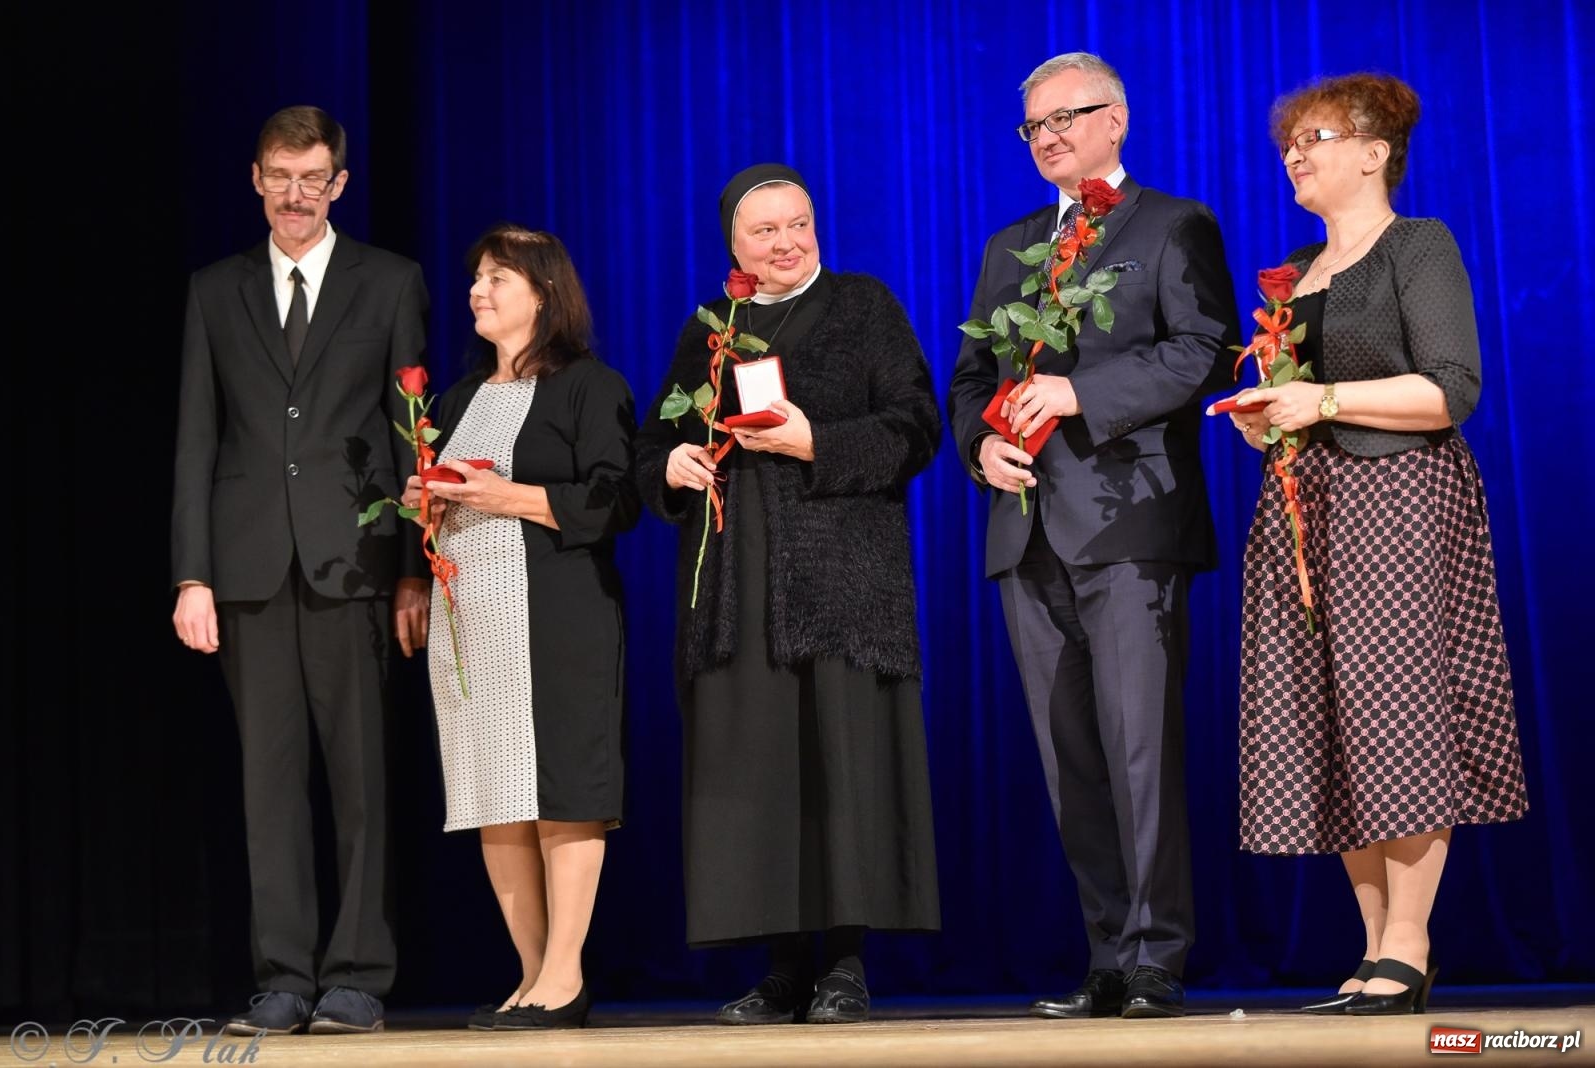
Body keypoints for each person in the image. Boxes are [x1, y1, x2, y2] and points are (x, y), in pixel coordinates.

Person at [1219, 72, 1528, 1016]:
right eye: (1289, 143)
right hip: (1305, 509)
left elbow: (1450, 389)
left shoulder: (1416, 247)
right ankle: (1371, 944)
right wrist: (1268, 416)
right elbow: (1298, 403)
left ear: (1374, 151)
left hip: (1397, 500)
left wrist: (1327, 400)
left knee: (1399, 718)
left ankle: (1410, 939)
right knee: (1331, 723)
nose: (1295, 156)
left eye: (1316, 138)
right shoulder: (1295, 274)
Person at [948, 53, 1240, 1019]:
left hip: (1129, 523)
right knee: (1068, 757)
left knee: (1139, 750)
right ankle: (1108, 955)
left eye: (1067, 118)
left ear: (1116, 120)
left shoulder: (1171, 225)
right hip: (1025, 528)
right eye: (1033, 126)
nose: (1050, 136)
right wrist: (981, 449)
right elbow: (969, 382)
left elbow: (1202, 349)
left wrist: (1081, 393)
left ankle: (1159, 954)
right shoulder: (1010, 245)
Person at [635, 163, 941, 1025]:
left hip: (842, 576)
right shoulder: (711, 332)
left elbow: (916, 427)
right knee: (760, 773)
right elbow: (655, 436)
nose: (786, 241)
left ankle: (844, 963)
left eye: (798, 223)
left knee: (841, 768)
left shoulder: (863, 305)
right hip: (736, 583)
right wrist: (672, 461)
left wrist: (818, 444)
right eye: (765, 230)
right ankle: (781, 968)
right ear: (733, 244)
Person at [170, 105, 430, 1035]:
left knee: (362, 781)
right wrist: (190, 575)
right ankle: (281, 976)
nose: (294, 195)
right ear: (255, 179)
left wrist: (412, 571)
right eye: (279, 176)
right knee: (267, 783)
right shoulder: (215, 290)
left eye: (312, 177)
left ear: (339, 184)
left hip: (355, 566)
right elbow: (197, 440)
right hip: (246, 572)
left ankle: (358, 972)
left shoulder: (391, 283)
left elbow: (410, 440)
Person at [398, 225, 638, 1030]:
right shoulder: (458, 401)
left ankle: (566, 974)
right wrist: (427, 504)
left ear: (543, 293)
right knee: (495, 790)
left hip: (558, 614)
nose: (478, 290)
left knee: (563, 789)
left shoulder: (587, 386)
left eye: (498, 278)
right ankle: (530, 974)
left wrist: (506, 497)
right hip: (472, 622)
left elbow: (614, 502)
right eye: (476, 278)